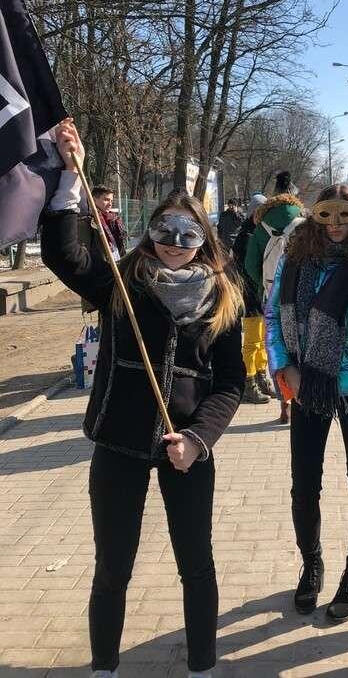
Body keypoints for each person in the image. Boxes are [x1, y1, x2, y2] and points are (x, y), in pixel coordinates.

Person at [42, 120, 246, 678]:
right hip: (120, 444)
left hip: (187, 450)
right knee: (113, 566)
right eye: (164, 230)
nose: (173, 243)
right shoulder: (121, 281)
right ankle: (104, 667)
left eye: (187, 233)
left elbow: (230, 382)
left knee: (196, 565)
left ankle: (202, 666)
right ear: (149, 230)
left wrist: (199, 440)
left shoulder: (224, 297)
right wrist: (71, 178)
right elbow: (64, 256)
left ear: (204, 239)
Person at [264, 184, 348, 621]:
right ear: (315, 215)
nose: (337, 224)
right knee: (304, 480)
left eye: (346, 215)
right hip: (305, 382)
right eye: (328, 214)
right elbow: (273, 314)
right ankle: (311, 564)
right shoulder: (293, 259)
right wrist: (285, 366)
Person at [245, 174, 305, 423]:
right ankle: (304, 396)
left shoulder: (262, 225)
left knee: (277, 346)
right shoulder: (304, 219)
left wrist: (265, 284)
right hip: (302, 293)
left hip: (273, 293)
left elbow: (250, 264)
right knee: (300, 344)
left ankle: (284, 403)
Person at [233, 192, 273, 405]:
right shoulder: (247, 237)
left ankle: (261, 375)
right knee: (252, 342)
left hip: (262, 296)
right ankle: (249, 382)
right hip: (251, 297)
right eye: (261, 211)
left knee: (263, 341)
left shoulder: (261, 233)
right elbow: (250, 270)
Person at [81, 185, 127, 262]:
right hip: (101, 263)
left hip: (117, 260)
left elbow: (121, 243)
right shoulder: (88, 221)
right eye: (106, 200)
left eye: (111, 201)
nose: (110, 204)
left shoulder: (113, 219)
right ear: (94, 200)